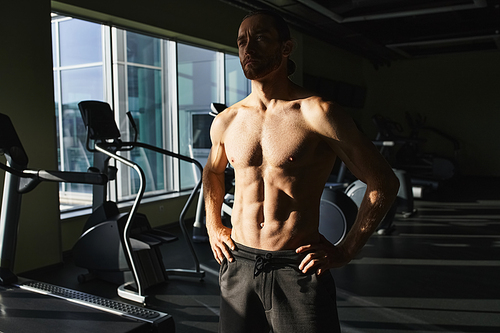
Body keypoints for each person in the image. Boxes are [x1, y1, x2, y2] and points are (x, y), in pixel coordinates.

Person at [203, 10, 400, 333]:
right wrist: (213, 226)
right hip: (238, 263)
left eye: (261, 38)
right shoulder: (227, 120)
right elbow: (212, 173)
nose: (248, 48)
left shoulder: (318, 113)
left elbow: (383, 182)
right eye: (241, 42)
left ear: (286, 48)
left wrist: (347, 250)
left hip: (296, 268)